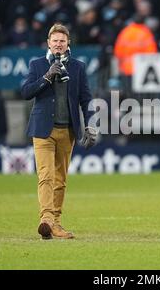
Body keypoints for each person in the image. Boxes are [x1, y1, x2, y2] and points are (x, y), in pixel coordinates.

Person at [21, 23, 97, 240]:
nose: (58, 44)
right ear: (48, 43)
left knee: (60, 180)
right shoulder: (37, 65)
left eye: (62, 41)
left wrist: (90, 124)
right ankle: (46, 219)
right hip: (43, 130)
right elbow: (26, 92)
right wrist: (46, 77)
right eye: (55, 41)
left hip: (67, 131)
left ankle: (56, 223)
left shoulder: (78, 67)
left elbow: (86, 99)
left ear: (68, 43)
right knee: (45, 176)